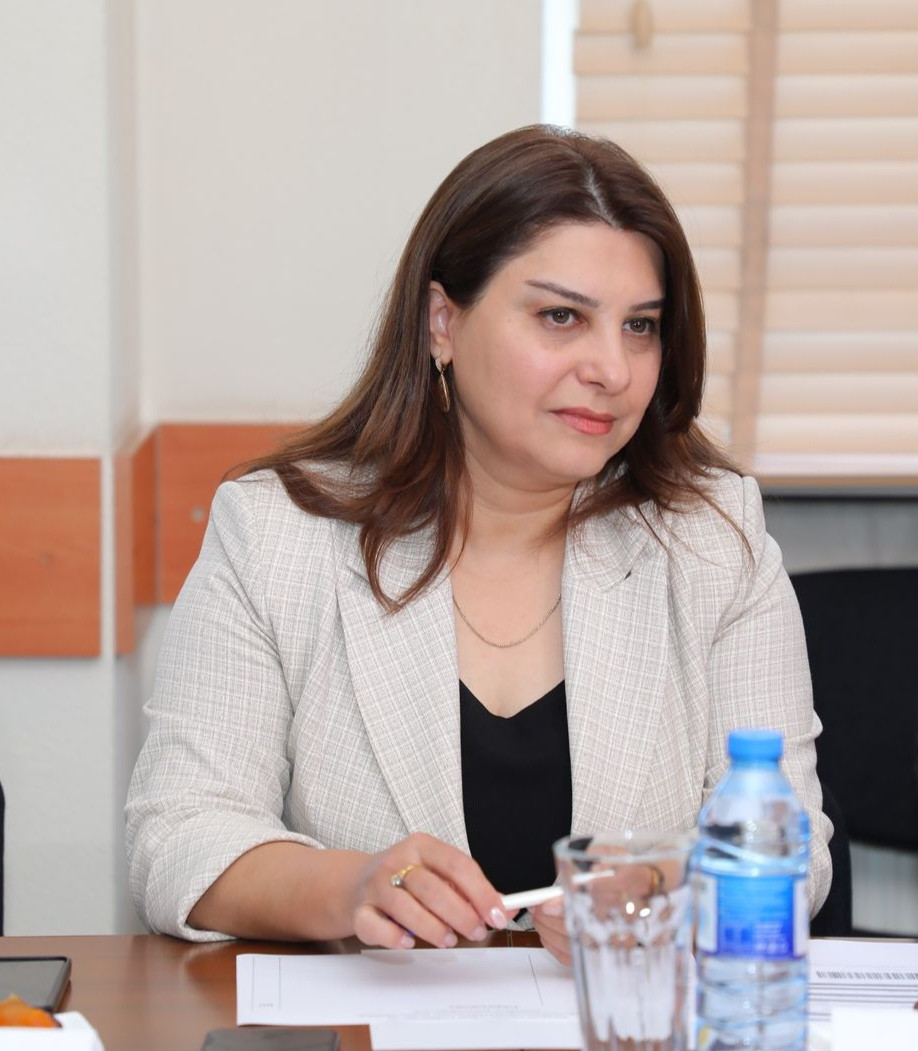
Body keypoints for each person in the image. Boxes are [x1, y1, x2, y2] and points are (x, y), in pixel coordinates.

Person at [125, 124, 831, 963]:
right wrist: (351, 888)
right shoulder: (278, 533)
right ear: (442, 323)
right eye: (562, 316)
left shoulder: (714, 541)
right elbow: (179, 834)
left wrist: (667, 886)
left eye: (641, 326)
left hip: (621, 1018)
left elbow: (794, 852)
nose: (613, 368)